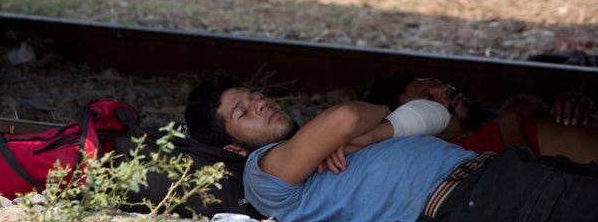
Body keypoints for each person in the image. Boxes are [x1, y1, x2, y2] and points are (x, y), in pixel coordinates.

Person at [184, 74, 598, 222]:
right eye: (244, 111)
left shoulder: (328, 140)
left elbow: (431, 113)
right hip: (473, 199)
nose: (262, 103)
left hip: (503, 174)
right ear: (235, 149)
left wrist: (376, 133)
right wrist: (359, 126)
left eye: (256, 95)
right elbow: (347, 116)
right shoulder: (261, 172)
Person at [364, 70, 598, 163]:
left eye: (437, 84)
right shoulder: (459, 158)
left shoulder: (488, 123)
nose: (445, 89)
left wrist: (572, 104)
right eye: (430, 99)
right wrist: (510, 120)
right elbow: (530, 185)